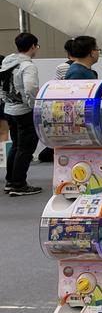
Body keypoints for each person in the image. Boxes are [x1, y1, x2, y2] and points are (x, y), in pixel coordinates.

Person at [0, 33, 41, 196]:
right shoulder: (27, 66)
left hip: (9, 109)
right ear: (33, 46)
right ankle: (19, 184)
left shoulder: (7, 62)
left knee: (16, 146)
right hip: (24, 111)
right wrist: (33, 106)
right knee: (26, 148)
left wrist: (7, 101)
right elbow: (31, 88)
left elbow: (3, 87)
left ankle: (10, 181)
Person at [0, 55, 8, 143]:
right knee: (4, 131)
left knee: (3, 131)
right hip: (2, 102)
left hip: (2, 102)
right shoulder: (5, 74)